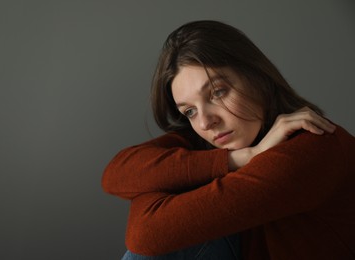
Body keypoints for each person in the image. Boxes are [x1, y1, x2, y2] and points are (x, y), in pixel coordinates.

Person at [102, 20, 355, 259]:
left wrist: (165, 185)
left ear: (257, 75)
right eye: (189, 111)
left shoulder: (312, 148)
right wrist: (242, 157)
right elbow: (116, 173)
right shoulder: (223, 139)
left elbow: (145, 234)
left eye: (217, 92)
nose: (204, 122)